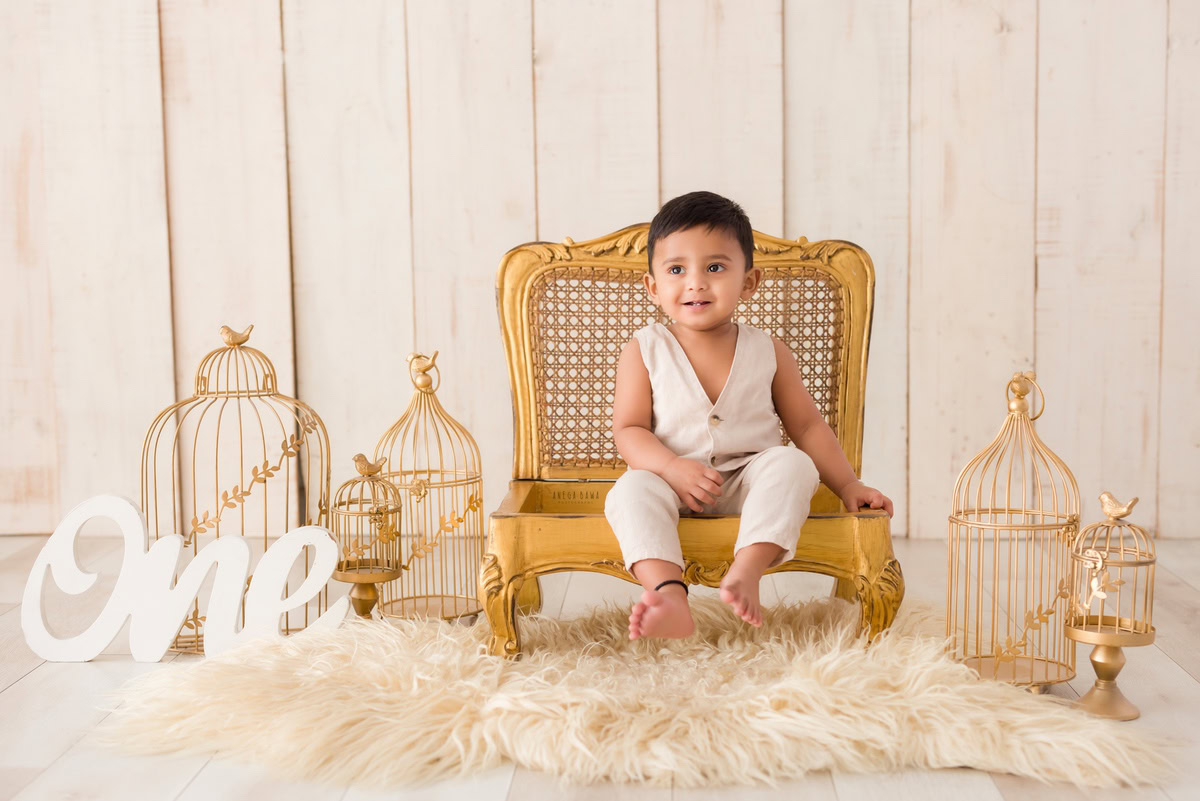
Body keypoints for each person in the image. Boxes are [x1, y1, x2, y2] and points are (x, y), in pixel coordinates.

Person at [605, 190, 894, 642]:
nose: (696, 283)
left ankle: (747, 569)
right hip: (670, 483)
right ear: (653, 287)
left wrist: (849, 484)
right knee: (629, 490)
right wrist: (670, 467)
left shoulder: (767, 350)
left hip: (747, 483)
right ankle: (666, 594)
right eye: (677, 269)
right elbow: (629, 430)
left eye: (715, 267)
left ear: (749, 282)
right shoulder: (645, 349)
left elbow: (806, 426)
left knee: (793, 463)